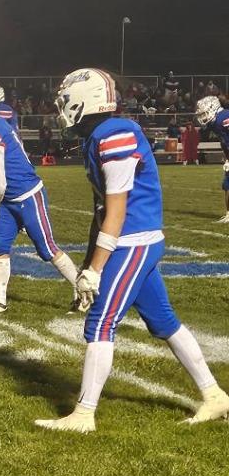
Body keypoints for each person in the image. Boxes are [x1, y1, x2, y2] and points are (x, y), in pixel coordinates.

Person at [36, 68, 229, 432]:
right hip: (133, 239)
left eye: (66, 101)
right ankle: (215, 396)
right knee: (164, 322)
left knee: (100, 324)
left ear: (85, 101)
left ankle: (83, 414)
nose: (61, 108)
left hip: (132, 241)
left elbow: (118, 207)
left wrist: (97, 267)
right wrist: (88, 262)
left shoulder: (114, 133)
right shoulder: (99, 135)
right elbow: (102, 210)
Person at [0, 93, 79, 315]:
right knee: (0, 247)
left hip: (27, 194)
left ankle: (82, 290)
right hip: (10, 199)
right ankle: (0, 303)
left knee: (47, 248)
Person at [194, 96, 229, 222]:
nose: (202, 117)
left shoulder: (224, 118)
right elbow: (225, 142)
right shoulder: (215, 123)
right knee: (227, 185)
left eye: (204, 113)